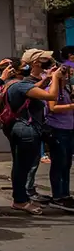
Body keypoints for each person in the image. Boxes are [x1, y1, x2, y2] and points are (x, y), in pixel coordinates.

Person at [2, 49, 62, 215]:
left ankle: (21, 198)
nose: (26, 67)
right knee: (23, 167)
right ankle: (20, 200)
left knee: (21, 166)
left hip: (19, 128)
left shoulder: (13, 84)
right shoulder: (20, 85)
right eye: (23, 65)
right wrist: (55, 79)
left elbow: (32, 89)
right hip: (25, 130)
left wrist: (47, 79)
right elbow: (51, 96)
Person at [46, 51, 74, 212]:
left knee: (67, 164)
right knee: (59, 163)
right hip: (57, 130)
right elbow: (53, 107)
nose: (69, 75)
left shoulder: (67, 89)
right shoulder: (53, 88)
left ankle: (65, 194)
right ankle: (57, 195)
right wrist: (71, 107)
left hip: (68, 129)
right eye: (67, 73)